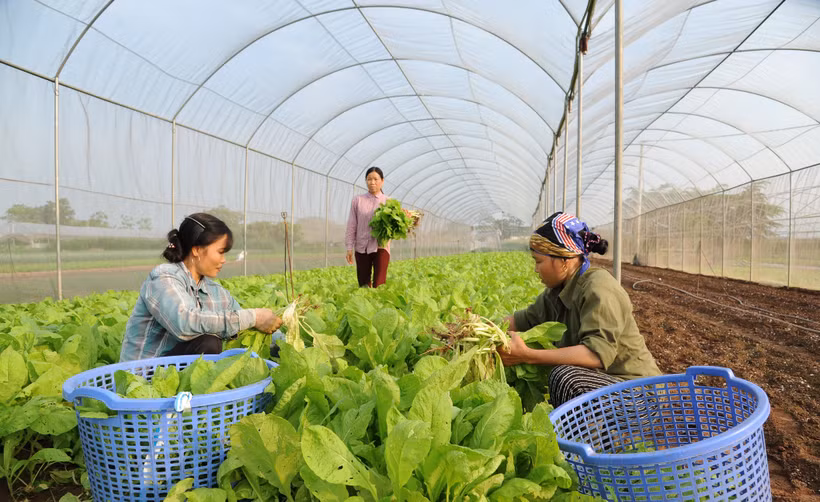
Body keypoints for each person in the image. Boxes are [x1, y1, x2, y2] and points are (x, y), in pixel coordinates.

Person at [499, 211, 662, 408]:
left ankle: (580, 438)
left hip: (640, 394)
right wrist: (476, 328)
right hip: (604, 385)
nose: (535, 269)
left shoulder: (598, 287)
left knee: (565, 377)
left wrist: (527, 355)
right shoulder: (555, 293)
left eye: (538, 261)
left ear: (564, 260)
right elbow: (521, 321)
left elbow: (596, 354)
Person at [120, 213, 282, 362]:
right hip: (141, 377)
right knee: (208, 342)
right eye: (220, 252)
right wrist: (254, 317)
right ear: (197, 249)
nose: (224, 260)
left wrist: (288, 346)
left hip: (178, 375)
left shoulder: (217, 293)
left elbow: (249, 325)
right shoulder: (164, 277)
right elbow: (184, 322)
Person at [345, 167, 391, 287]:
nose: (372, 182)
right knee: (363, 284)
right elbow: (352, 225)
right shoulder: (358, 201)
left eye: (376, 179)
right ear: (366, 181)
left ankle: (379, 305)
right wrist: (349, 247)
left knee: (379, 284)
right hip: (361, 247)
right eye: (369, 179)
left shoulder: (388, 201)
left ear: (382, 181)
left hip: (381, 246)